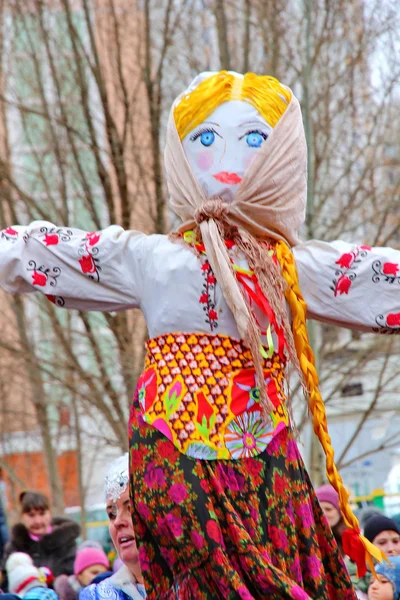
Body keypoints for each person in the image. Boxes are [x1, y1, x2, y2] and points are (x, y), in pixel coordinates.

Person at [1, 69, 398, 597]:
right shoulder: (152, 258)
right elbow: (56, 252)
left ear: (281, 156)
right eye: (206, 141)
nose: (230, 161)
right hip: (175, 458)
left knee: (279, 574)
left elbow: (372, 277)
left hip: (262, 462)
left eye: (255, 141)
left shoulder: (284, 266)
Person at [80, 454, 145, 600]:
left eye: (130, 509)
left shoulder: (196, 588)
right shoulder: (97, 596)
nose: (117, 522)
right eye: (112, 514)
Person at [2, 491, 80, 578]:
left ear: (50, 514)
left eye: (42, 514)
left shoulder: (66, 542)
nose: (37, 521)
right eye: (31, 515)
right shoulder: (14, 547)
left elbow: (72, 576)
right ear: (22, 517)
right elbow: (7, 581)